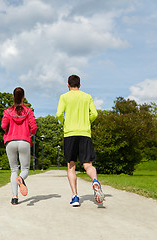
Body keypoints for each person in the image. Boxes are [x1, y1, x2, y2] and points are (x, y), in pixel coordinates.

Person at [56, 74, 104, 207]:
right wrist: (86, 122)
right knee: (88, 164)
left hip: (70, 134)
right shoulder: (87, 96)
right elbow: (94, 114)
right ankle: (94, 181)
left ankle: (75, 197)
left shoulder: (64, 97)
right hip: (85, 134)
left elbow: (59, 114)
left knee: (71, 166)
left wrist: (65, 123)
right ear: (80, 85)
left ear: (68, 85)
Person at [1, 87, 37, 205]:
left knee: (13, 170)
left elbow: (3, 126)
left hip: (10, 142)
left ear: (13, 97)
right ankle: (21, 179)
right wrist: (30, 134)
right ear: (23, 97)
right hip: (24, 141)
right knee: (25, 169)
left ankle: (15, 197)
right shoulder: (28, 111)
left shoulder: (7, 111)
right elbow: (34, 127)